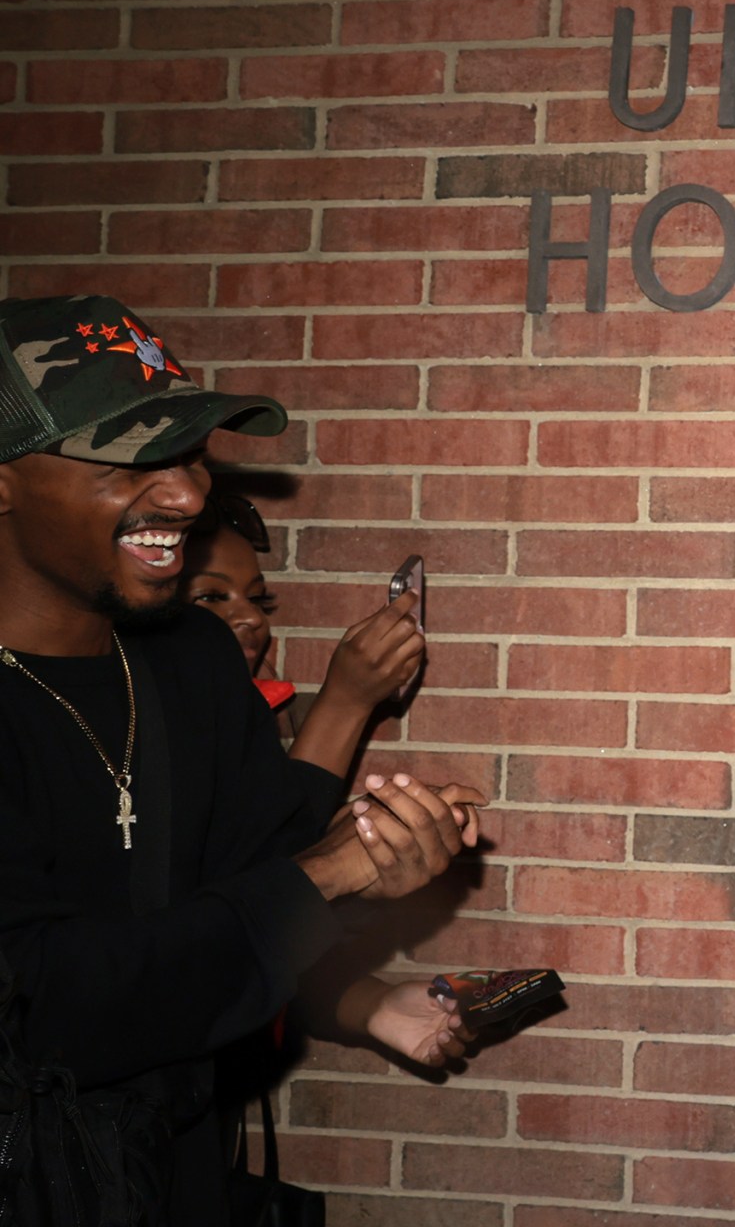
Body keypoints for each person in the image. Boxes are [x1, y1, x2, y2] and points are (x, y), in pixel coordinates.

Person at [0, 294, 485, 1222]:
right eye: (131, 456)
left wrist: (371, 851)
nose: (187, 495)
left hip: (177, 1172)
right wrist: (326, 873)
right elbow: (42, 1013)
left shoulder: (190, 657)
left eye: (187, 453)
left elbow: (257, 890)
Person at [184, 487, 425, 778]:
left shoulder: (254, 716)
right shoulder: (147, 728)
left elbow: (279, 819)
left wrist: (370, 817)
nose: (252, 617)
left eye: (257, 598)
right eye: (211, 596)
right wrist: (346, 699)